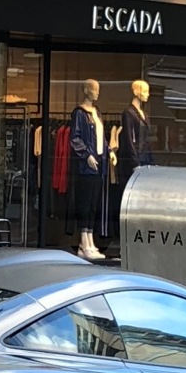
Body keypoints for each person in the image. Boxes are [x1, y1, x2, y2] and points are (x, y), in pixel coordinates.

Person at [69, 78, 106, 261]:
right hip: (86, 166)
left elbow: (102, 137)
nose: (97, 93)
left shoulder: (97, 113)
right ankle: (83, 242)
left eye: (98, 89)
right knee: (84, 203)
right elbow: (75, 138)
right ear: (86, 90)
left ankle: (90, 241)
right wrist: (86, 155)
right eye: (94, 89)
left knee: (93, 204)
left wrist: (109, 152)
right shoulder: (80, 113)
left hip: (99, 163)